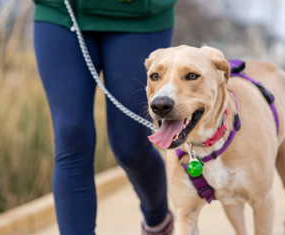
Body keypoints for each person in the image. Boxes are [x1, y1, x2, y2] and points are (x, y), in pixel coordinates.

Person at [32, 0, 177, 234]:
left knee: (131, 146)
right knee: (71, 135)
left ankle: (158, 220)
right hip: (62, 12)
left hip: (139, 16)